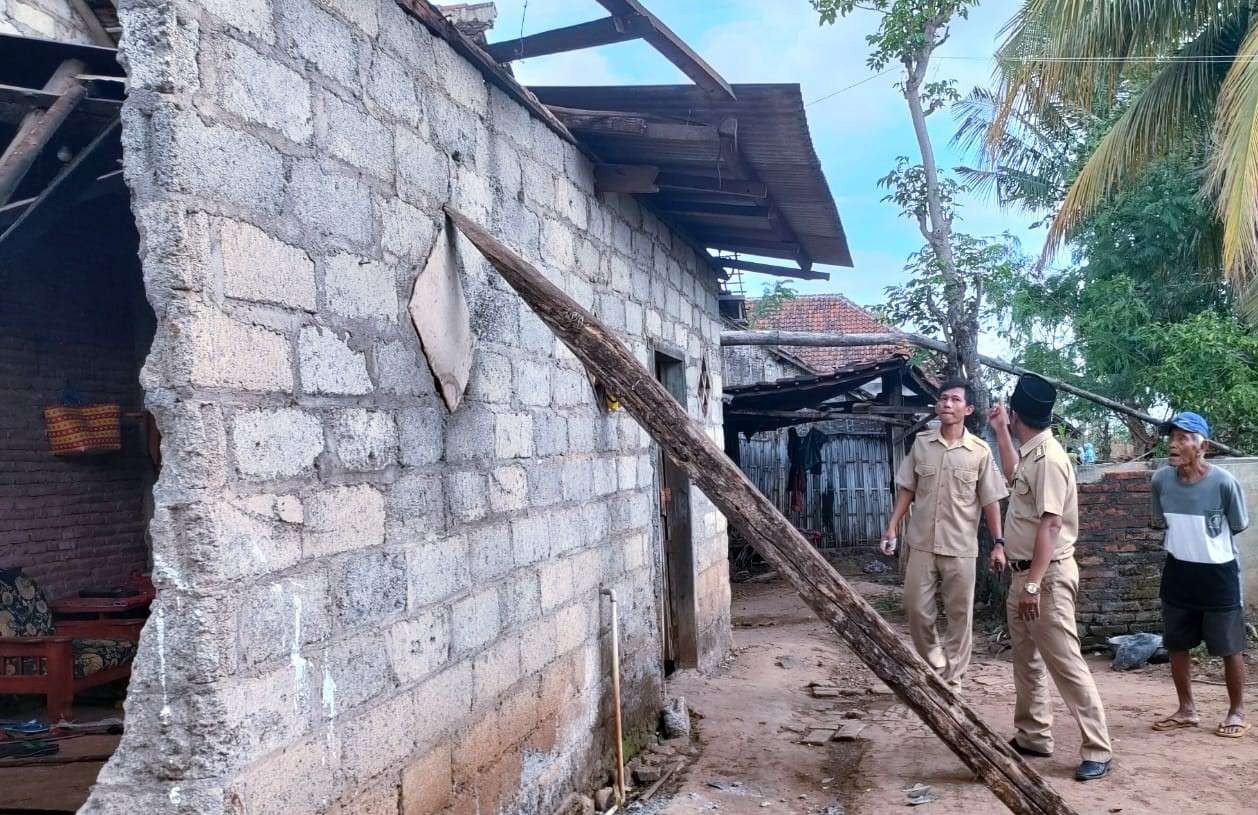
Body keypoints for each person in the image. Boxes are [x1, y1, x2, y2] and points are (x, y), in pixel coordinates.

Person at [989, 374, 1113, 782]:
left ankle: (1098, 748)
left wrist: (1031, 584)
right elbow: (1012, 478)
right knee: (1026, 658)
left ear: (1017, 410)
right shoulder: (1032, 452)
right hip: (1025, 573)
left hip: (1046, 577)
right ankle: (1033, 735)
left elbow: (1051, 525)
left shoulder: (1051, 459)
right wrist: (1001, 432)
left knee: (1065, 661)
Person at [880, 378, 1008, 687]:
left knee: (959, 617)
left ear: (968, 408)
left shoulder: (979, 452)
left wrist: (998, 544)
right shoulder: (922, 444)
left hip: (961, 547)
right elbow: (907, 489)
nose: (946, 404)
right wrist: (892, 525)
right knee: (915, 608)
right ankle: (935, 661)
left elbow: (991, 501)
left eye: (954, 400)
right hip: (921, 542)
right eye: (942, 399)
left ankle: (953, 681)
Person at [1149, 412, 1251, 738]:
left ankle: (1236, 711)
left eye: (1183, 438)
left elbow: (1237, 524)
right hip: (1178, 570)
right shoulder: (1160, 481)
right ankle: (1186, 709)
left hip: (1219, 575)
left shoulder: (1223, 483)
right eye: (1172, 437)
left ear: (1202, 445)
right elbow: (1158, 521)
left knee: (1229, 647)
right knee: (1177, 644)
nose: (1173, 444)